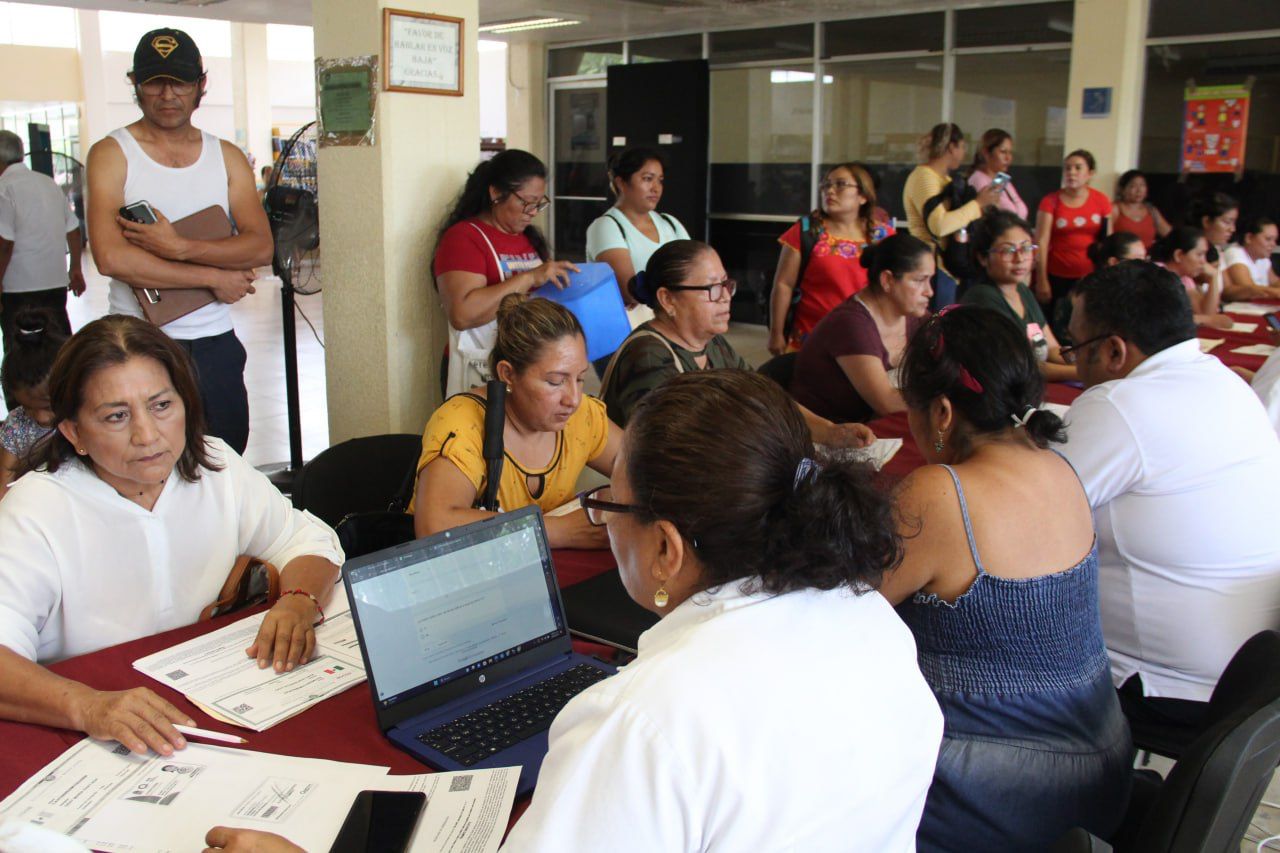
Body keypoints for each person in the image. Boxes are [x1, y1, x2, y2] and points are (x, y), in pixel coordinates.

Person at [503, 369, 943, 851]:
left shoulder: (642, 722)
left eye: (612, 504)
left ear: (666, 549)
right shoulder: (874, 621)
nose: (603, 520)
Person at [0, 315, 343, 757]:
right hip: (88, 730)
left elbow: (305, 541)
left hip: (205, 703)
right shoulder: (35, 511)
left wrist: (298, 600)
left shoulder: (215, 466)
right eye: (117, 416)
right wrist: (88, 707)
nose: (147, 435)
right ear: (74, 432)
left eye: (161, 405)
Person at [880, 305, 1131, 850]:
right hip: (1100, 772)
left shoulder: (939, 494)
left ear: (942, 412)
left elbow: (845, 606)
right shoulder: (1059, 465)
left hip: (998, 794)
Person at [1060, 261, 1280, 727]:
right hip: (1257, 681)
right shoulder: (1225, 382)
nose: (1075, 362)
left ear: (1114, 350)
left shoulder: (1119, 403)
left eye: (1075, 347)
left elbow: (1017, 509)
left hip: (1171, 690)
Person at [86, 28, 271, 456]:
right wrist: (212, 277)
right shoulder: (112, 153)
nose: (168, 95)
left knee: (224, 457)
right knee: (147, 460)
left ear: (200, 85)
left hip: (214, 342)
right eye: (155, 82)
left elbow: (260, 246)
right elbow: (111, 258)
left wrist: (179, 246)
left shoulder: (226, 156)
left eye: (181, 82)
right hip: (137, 341)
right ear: (135, 84)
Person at [600, 239, 874, 448]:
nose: (725, 297)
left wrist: (830, 432)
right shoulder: (647, 355)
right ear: (668, 299)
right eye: (711, 288)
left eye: (726, 284)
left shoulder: (713, 344)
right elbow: (669, 450)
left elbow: (764, 397)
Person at [412, 294, 621, 549]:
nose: (573, 399)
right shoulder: (463, 423)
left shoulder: (581, 416)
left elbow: (645, 469)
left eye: (579, 379)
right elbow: (434, 526)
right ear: (508, 374)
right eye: (555, 382)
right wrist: (559, 531)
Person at [432, 150, 578, 396]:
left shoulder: (528, 238)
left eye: (539, 203)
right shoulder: (464, 238)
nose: (533, 211)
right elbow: (462, 314)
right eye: (526, 202)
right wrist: (529, 277)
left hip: (528, 365)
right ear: (496, 193)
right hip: (481, 367)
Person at [790, 234, 933, 422]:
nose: (929, 291)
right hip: (826, 432)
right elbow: (887, 403)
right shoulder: (851, 324)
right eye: (919, 280)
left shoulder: (914, 315)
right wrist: (945, 401)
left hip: (872, 427)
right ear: (887, 280)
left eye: (930, 280)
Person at [768, 162, 894, 354]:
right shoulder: (807, 231)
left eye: (841, 184)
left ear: (863, 196)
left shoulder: (883, 236)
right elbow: (783, 285)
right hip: (811, 341)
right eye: (826, 185)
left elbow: (894, 288)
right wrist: (776, 333)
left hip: (865, 340)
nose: (830, 191)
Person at [585, 147, 690, 354]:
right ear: (621, 182)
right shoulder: (607, 226)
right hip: (624, 336)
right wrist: (676, 289)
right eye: (647, 179)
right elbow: (630, 290)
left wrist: (648, 288)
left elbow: (695, 274)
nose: (656, 188)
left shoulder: (670, 223)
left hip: (672, 331)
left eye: (660, 180)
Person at [962, 211, 1076, 381]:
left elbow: (1052, 349)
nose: (1020, 258)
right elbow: (1020, 367)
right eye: (1008, 251)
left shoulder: (1022, 291)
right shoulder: (982, 297)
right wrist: (1083, 373)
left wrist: (1083, 362)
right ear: (983, 258)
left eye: (1026, 248)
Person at [0, 130, 83, 348]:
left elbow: (5, 244)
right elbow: (74, 230)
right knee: (59, 346)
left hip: (18, 288)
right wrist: (75, 269)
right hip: (55, 283)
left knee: (20, 351)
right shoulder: (48, 183)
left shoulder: (3, 188)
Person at [903, 123, 1001, 307]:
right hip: (930, 265)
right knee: (936, 320)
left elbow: (957, 218)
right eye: (962, 147)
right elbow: (939, 225)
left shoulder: (945, 180)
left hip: (947, 266)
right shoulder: (924, 177)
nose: (963, 153)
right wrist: (978, 204)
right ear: (951, 147)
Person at [1035, 149, 1111, 341]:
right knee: (1056, 326)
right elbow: (1041, 241)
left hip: (1090, 276)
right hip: (1057, 276)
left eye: (1078, 168)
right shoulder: (1050, 201)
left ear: (1090, 173)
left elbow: (1107, 241)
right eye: (1067, 168)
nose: (1071, 172)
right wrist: (1042, 279)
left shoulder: (1101, 200)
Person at [0, 309, 65, 497]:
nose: (40, 417)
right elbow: (6, 477)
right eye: (28, 408)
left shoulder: (82, 418)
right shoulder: (16, 426)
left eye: (48, 407)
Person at [1149, 226, 1231, 330]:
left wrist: (1214, 277)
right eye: (1199, 254)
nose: (1204, 262)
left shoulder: (1184, 277)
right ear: (1178, 255)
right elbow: (1167, 320)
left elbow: (1205, 313)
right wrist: (1204, 319)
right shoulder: (1157, 274)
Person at [967, 129, 1028, 220]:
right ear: (986, 153)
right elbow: (992, 215)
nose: (1008, 158)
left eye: (1010, 152)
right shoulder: (978, 179)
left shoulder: (1001, 179)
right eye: (1003, 152)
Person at [1222, 216, 1280, 300]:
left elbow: (1275, 282)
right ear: (1248, 238)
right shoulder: (1234, 252)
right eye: (1268, 239)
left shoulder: (1262, 257)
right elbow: (1249, 289)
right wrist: (1276, 292)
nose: (1273, 244)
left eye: (1275, 240)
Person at [1111, 169, 1171, 250]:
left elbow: (1170, 234)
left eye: (1142, 185)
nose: (1139, 190)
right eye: (1133, 186)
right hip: (1122, 256)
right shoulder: (1115, 209)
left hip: (1146, 256)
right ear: (1122, 189)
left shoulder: (1151, 210)